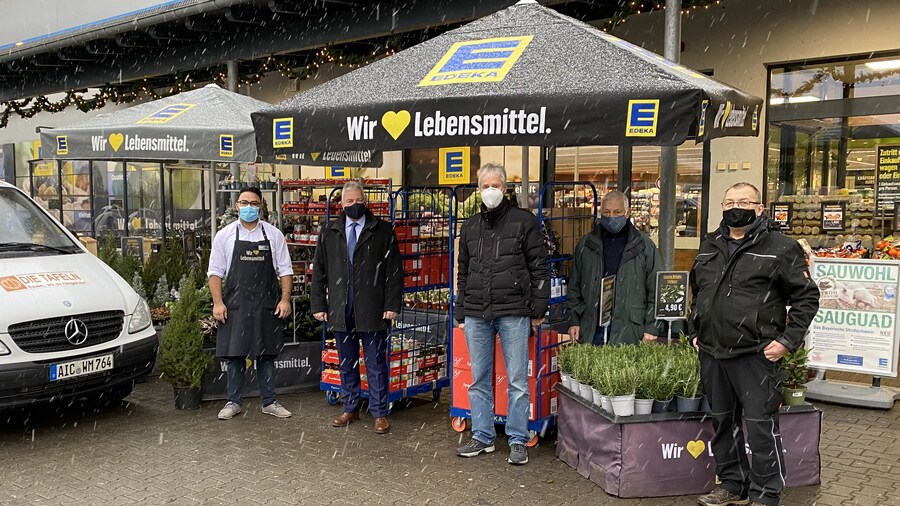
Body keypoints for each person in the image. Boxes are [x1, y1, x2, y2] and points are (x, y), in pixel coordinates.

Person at [689, 182, 819, 506]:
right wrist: (695, 329)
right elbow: (699, 290)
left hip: (756, 355)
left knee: (760, 429)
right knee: (723, 424)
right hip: (712, 353)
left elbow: (807, 297)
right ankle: (734, 485)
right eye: (730, 201)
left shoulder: (780, 247)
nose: (737, 206)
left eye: (745, 201)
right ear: (722, 206)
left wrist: (788, 341)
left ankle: (766, 493)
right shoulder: (710, 245)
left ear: (760, 208)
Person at [454, 163, 549, 466]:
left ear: (506, 189)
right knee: (479, 378)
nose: (490, 190)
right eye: (485, 186)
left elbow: (539, 266)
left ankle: (517, 439)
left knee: (518, 380)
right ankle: (482, 436)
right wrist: (460, 306)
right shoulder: (470, 226)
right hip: (477, 312)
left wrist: (538, 306)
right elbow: (463, 270)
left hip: (513, 311)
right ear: (478, 190)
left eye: (496, 185)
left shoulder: (525, 222)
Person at [311, 181, 401, 435]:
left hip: (372, 306)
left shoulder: (382, 231)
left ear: (365, 200)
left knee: (375, 363)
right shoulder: (330, 232)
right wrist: (318, 303)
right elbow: (319, 271)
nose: (354, 205)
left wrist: (392, 304)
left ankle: (379, 412)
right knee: (346, 361)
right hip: (341, 306)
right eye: (349, 201)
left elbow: (394, 271)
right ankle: (350, 407)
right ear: (341, 204)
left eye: (358, 200)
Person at [207, 186, 294, 421]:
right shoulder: (224, 235)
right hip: (235, 304)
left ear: (261, 207)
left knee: (266, 356)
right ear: (236, 206)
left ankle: (269, 401)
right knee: (235, 356)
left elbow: (285, 270)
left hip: (266, 304)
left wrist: (285, 299)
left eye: (253, 203)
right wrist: (218, 303)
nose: (248, 207)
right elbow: (214, 272)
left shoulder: (274, 235)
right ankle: (233, 402)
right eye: (244, 203)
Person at [566, 191, 662, 346]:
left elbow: (656, 288)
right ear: (600, 212)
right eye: (606, 212)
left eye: (617, 212)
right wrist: (574, 320)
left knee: (626, 369)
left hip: (630, 327)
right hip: (593, 325)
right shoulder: (586, 244)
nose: (611, 217)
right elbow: (574, 286)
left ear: (627, 213)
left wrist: (652, 327)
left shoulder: (643, 246)